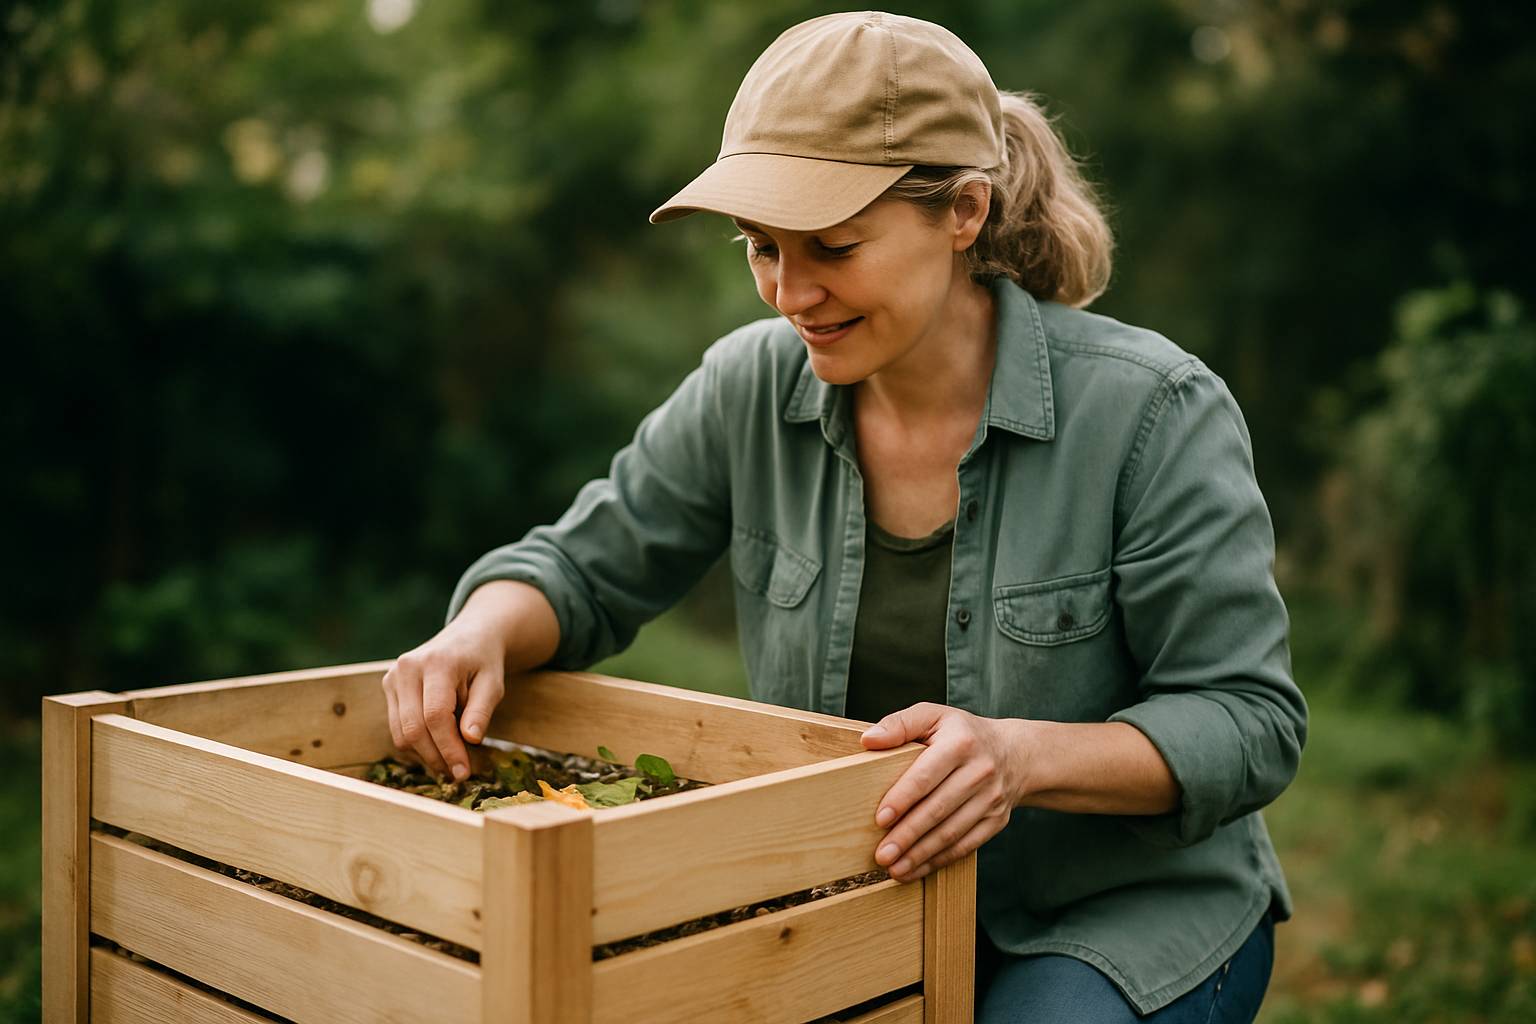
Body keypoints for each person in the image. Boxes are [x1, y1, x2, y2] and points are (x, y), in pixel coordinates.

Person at [382, 11, 1306, 1023]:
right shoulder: (746, 389)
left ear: (963, 211)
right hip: (860, 901)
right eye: (761, 248)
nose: (791, 291)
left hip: (1117, 916)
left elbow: (1247, 722)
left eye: (831, 245)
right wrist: (480, 629)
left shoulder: (1150, 412)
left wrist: (1019, 756)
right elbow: (583, 567)